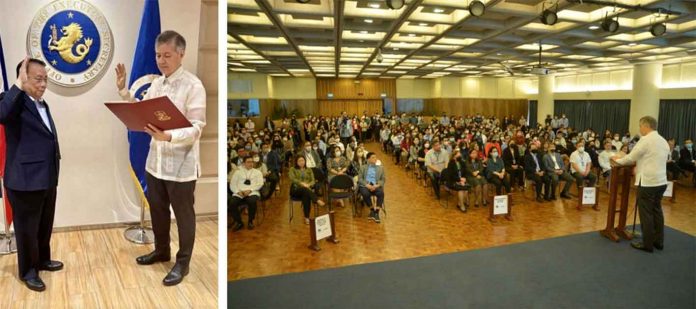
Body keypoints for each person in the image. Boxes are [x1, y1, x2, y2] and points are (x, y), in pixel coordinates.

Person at [115, 31, 206, 285]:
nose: (161, 60)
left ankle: (183, 262)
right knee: (158, 211)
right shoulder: (157, 84)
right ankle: (162, 249)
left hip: (181, 166)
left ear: (181, 54)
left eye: (167, 55)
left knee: (184, 215)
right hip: (155, 162)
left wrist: (169, 137)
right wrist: (123, 91)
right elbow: (141, 109)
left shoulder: (193, 86)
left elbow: (197, 128)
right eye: (158, 55)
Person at [0, 58, 62, 292]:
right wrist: (17, 86)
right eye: (38, 78)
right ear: (23, 77)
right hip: (24, 179)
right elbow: (2, 115)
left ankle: (43, 259)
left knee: (44, 224)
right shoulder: (11, 101)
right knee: (26, 230)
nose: (43, 83)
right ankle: (28, 271)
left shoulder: (41, 104)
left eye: (45, 79)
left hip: (46, 176)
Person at [611, 116, 669, 253]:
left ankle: (647, 244)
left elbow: (631, 157)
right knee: (657, 211)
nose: (639, 129)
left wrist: (616, 160)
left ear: (646, 126)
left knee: (646, 214)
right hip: (661, 181)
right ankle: (658, 241)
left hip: (648, 182)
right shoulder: (663, 141)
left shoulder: (645, 140)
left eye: (640, 126)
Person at [229, 156, 264, 232]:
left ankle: (250, 221)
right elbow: (232, 184)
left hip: (252, 192)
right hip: (239, 192)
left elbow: (260, 184)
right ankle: (239, 222)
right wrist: (238, 191)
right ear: (244, 163)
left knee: (252, 201)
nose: (250, 163)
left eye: (252, 162)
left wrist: (250, 190)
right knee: (232, 203)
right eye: (248, 162)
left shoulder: (257, 172)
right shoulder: (238, 172)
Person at [289, 156, 326, 225]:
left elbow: (313, 180)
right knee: (304, 190)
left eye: (303, 160)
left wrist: (309, 184)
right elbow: (293, 179)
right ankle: (316, 200)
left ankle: (307, 217)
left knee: (306, 195)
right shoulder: (292, 169)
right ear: (296, 162)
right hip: (296, 189)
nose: (301, 162)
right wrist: (302, 183)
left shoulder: (308, 169)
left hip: (307, 190)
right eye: (299, 161)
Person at [358, 152, 386, 223]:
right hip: (366, 185)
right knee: (365, 193)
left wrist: (377, 185)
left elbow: (383, 179)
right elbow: (360, 179)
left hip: (375, 185)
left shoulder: (380, 168)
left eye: (376, 157)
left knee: (381, 193)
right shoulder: (363, 167)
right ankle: (372, 209)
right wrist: (367, 185)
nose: (375, 159)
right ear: (368, 159)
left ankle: (376, 212)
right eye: (373, 157)